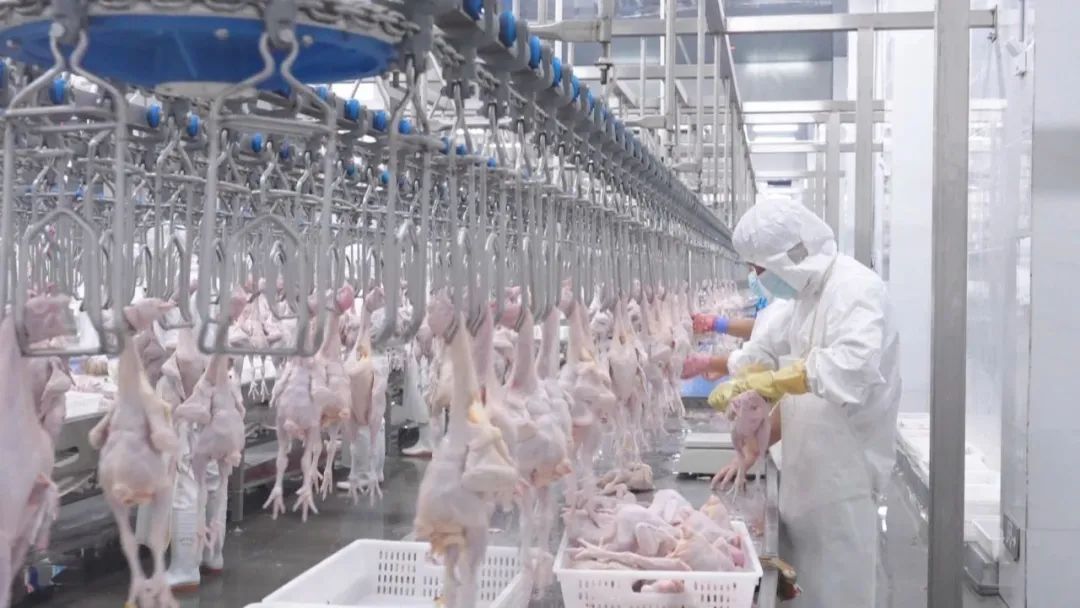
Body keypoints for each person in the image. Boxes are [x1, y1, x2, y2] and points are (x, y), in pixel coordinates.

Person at [706, 198, 901, 608]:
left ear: (788, 256)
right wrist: (745, 379)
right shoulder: (804, 297)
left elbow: (852, 367)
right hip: (805, 481)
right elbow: (766, 346)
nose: (756, 278)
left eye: (759, 268)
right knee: (802, 594)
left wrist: (777, 381)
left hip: (843, 488)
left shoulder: (854, 288)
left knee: (840, 595)